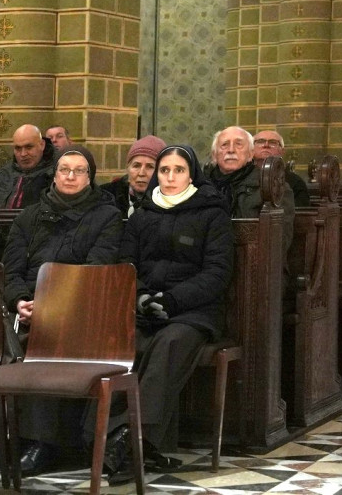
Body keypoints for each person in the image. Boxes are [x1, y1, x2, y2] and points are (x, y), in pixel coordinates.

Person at [107, 145, 234, 483]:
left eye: (179, 170)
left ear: (191, 175)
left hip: (194, 311)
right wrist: (140, 298)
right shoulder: (143, 214)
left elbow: (217, 273)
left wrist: (174, 300)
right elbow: (126, 265)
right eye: (164, 170)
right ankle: (108, 437)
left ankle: (130, 440)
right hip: (146, 308)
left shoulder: (212, 214)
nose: (170, 177)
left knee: (169, 344)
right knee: (124, 345)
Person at [2, 145, 123, 476]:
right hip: (27, 307)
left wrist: (51, 305)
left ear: (90, 177)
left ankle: (42, 443)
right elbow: (11, 271)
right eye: (64, 170)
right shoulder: (29, 216)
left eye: (79, 171)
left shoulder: (107, 217)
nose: (70, 176)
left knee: (48, 341)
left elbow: (96, 271)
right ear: (53, 175)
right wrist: (19, 300)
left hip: (79, 308)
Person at [205, 126, 294, 249]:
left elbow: (279, 242)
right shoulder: (200, 185)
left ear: (250, 154)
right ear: (214, 154)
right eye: (224, 145)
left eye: (239, 144)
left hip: (252, 256)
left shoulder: (272, 186)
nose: (231, 150)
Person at [0, 124, 56, 209]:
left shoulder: (56, 173)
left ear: (42, 145)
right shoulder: (2, 173)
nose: (23, 154)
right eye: (18, 148)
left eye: (29, 147)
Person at [100, 135, 167, 218]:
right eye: (136, 166)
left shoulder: (171, 203)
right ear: (128, 168)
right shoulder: (105, 197)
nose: (141, 173)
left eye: (150, 167)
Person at [252, 130, 310, 207]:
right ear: (251, 149)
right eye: (260, 141)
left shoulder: (295, 182)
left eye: (273, 142)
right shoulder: (243, 176)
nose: (266, 145)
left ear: (282, 151)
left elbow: (301, 211)